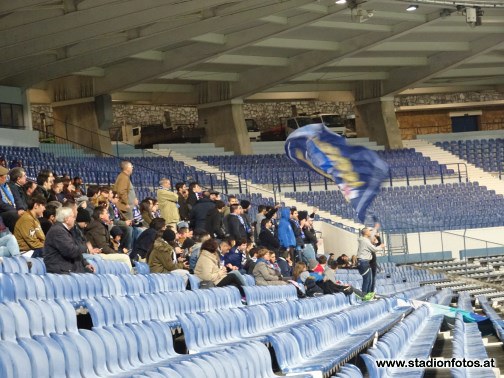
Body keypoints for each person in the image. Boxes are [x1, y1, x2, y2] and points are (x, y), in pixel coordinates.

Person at [43, 207, 95, 274]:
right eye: (73, 217)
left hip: (69, 269)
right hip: (61, 271)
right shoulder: (57, 231)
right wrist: (86, 247)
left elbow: (76, 249)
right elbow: (71, 251)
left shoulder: (67, 230)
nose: (75, 219)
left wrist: (85, 264)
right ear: (66, 219)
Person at [357, 227, 384, 295]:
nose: (370, 232)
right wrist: (381, 246)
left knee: (369, 280)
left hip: (365, 262)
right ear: (366, 232)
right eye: (369, 231)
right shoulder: (365, 241)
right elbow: (374, 249)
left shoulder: (364, 239)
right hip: (363, 262)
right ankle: (364, 295)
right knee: (367, 280)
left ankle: (368, 295)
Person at [0, 165, 20, 233]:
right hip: (3, 212)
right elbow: (1, 204)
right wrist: (15, 210)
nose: (6, 179)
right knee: (13, 214)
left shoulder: (9, 185)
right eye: (4, 177)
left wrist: (20, 209)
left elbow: (17, 198)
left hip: (12, 209)